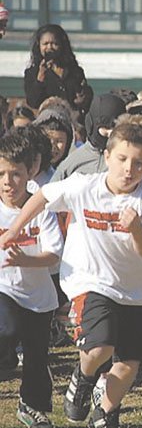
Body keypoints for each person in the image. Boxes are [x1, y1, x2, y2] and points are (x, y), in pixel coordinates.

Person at [0, 114, 142, 428]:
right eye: (122, 159)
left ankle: (104, 413)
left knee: (128, 363)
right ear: (107, 157)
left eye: (139, 164)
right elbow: (42, 196)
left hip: (134, 291)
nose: (129, 169)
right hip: (89, 282)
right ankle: (84, 375)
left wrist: (137, 229)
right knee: (100, 346)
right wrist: (14, 229)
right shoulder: (84, 186)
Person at [0, 134, 63, 428]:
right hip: (3, 289)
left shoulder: (42, 207)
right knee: (6, 328)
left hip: (39, 298)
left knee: (37, 358)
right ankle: (6, 359)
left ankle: (32, 406)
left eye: (15, 173)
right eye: (0, 173)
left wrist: (25, 260)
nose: (7, 181)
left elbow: (53, 256)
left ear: (30, 173)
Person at [50, 93, 126, 182]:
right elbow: (49, 192)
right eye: (106, 128)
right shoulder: (72, 163)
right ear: (92, 125)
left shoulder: (130, 160)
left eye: (116, 129)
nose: (110, 134)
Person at [23, 24, 93, 117]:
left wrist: (83, 99)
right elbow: (32, 102)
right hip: (47, 121)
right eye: (45, 44)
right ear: (38, 46)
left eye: (54, 44)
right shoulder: (32, 72)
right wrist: (40, 79)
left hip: (73, 120)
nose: (50, 47)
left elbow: (86, 98)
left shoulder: (75, 71)